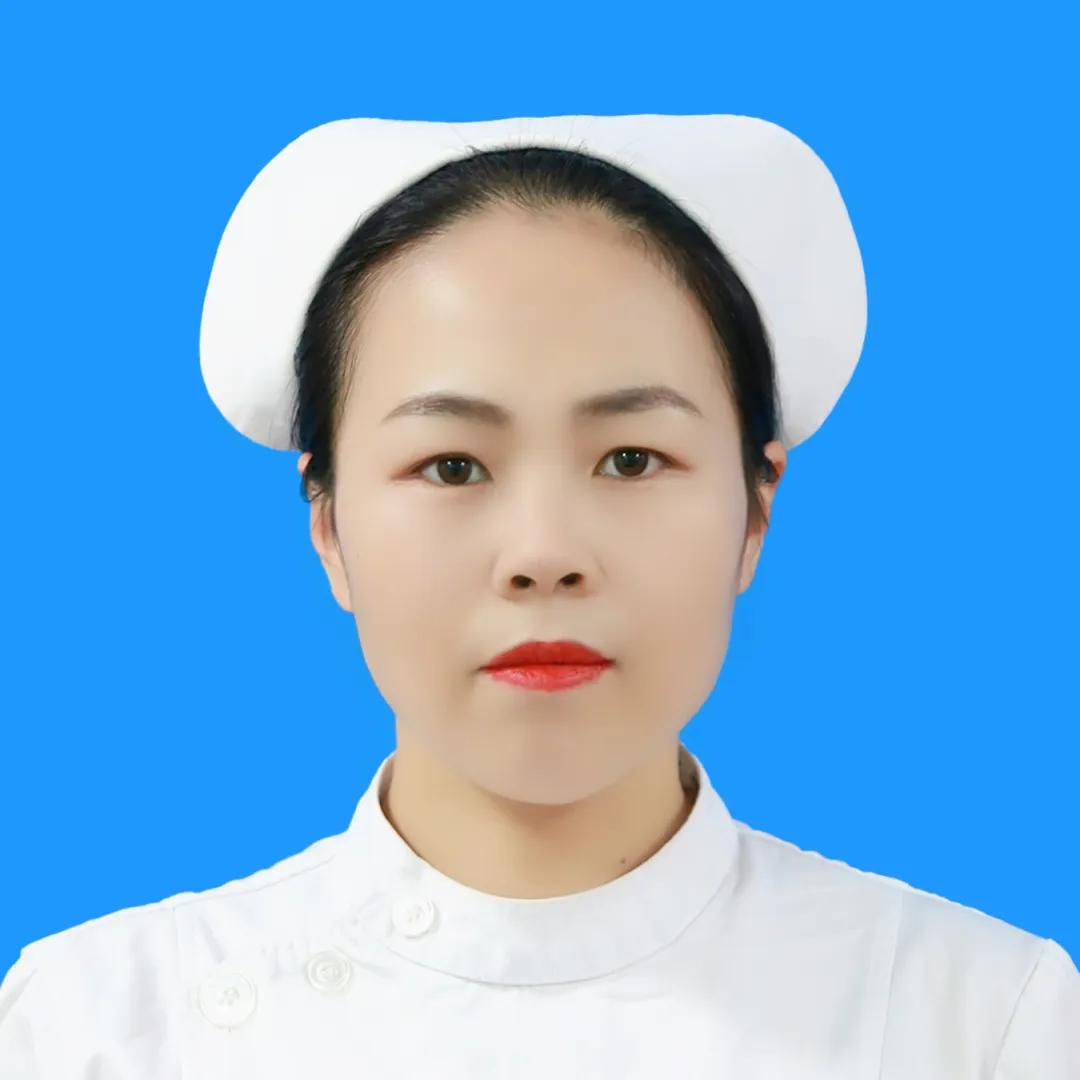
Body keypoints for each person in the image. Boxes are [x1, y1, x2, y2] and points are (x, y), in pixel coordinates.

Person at [1, 114, 1076, 1078]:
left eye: (631, 459)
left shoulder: (980, 1022)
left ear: (757, 508)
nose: (545, 555)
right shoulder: (96, 1029)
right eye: (453, 466)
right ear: (327, 524)